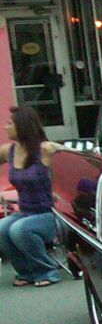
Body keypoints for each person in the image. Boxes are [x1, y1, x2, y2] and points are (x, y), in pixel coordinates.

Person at [0, 106, 64, 287]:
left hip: (51, 214)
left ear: (22, 126)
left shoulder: (46, 149)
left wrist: (61, 191)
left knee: (19, 230)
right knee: (2, 228)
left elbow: (76, 160)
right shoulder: (9, 151)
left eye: (9, 123)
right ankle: (26, 272)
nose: (5, 127)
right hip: (26, 212)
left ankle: (48, 271)